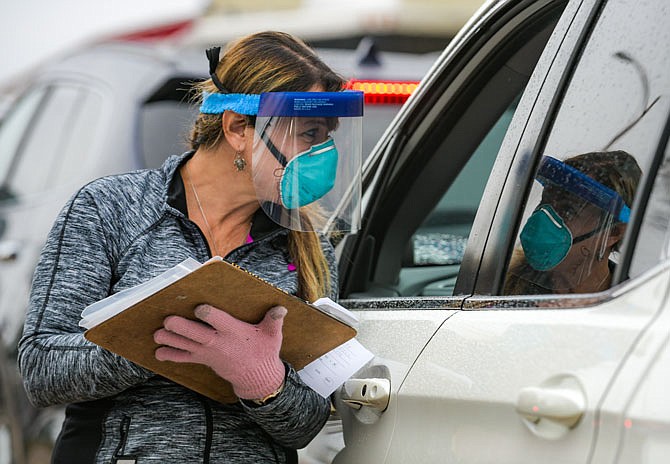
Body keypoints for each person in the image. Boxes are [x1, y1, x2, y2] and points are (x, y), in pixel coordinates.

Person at [17, 31, 363, 463]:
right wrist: (157, 340)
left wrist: (262, 380)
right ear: (239, 127)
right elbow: (42, 370)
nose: (322, 154)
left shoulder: (305, 248)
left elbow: (308, 424)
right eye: (309, 134)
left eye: (326, 136)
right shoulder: (110, 208)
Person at [504, 150, 641, 295]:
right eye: (545, 201)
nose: (543, 217)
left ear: (613, 233)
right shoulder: (498, 284)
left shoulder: (635, 308)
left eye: (567, 209)